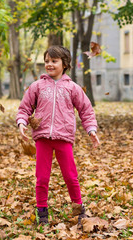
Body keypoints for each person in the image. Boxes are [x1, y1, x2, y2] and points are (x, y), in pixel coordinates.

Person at [16, 45, 100, 225]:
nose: (49, 64)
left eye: (54, 61)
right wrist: (22, 122)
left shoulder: (73, 88)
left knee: (70, 176)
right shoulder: (37, 86)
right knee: (42, 177)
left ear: (65, 64)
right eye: (47, 61)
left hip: (64, 137)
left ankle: (79, 210)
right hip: (43, 138)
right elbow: (25, 107)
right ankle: (42, 212)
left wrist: (91, 129)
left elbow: (86, 110)